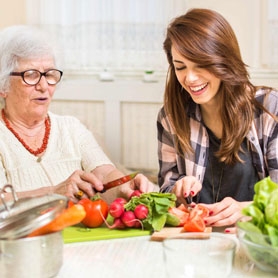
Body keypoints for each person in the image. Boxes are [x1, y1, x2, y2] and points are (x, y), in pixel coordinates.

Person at [0, 25, 156, 205]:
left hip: (79, 230)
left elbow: (103, 173)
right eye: (31, 75)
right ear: (3, 85)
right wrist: (53, 193)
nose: (44, 86)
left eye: (50, 74)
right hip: (24, 233)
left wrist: (124, 186)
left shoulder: (71, 127)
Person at [157, 8, 278, 232]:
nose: (190, 78)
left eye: (200, 64)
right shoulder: (170, 117)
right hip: (195, 239)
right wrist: (177, 190)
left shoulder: (270, 109)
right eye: (180, 67)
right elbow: (166, 189)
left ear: (222, 59)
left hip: (254, 240)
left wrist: (247, 209)